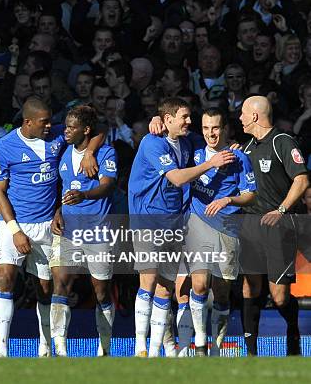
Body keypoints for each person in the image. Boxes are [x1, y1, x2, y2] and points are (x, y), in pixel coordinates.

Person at [0, 97, 103, 357]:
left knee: (45, 288)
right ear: (27, 122)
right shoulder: (3, 147)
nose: (51, 126)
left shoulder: (57, 138)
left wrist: (89, 152)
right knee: (5, 278)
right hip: (13, 224)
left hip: (48, 226)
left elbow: (98, 132)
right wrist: (15, 230)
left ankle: (45, 347)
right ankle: (1, 351)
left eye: (51, 120)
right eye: (44, 122)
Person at [129, 97, 235, 357]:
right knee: (149, 280)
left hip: (175, 219)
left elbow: (213, 142)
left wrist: (227, 148)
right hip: (147, 219)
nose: (190, 122)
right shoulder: (152, 142)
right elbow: (176, 178)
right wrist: (211, 164)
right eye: (185, 117)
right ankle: (140, 347)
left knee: (166, 285)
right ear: (167, 120)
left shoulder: (187, 142)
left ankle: (157, 351)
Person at [175, 108, 256, 357]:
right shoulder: (194, 153)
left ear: (225, 129)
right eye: (207, 128)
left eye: (216, 128)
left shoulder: (239, 158)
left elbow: (250, 195)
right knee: (198, 285)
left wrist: (228, 200)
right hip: (197, 223)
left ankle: (216, 349)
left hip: (228, 229)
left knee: (221, 292)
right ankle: (200, 343)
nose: (211, 133)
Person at [239, 96, 310, 356]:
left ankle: (293, 333)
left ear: (255, 116)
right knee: (250, 286)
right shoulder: (246, 148)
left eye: (243, 114)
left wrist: (281, 210)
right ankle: (250, 354)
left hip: (279, 226)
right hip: (250, 225)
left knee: (279, 296)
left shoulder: (283, 142)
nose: (240, 118)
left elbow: (301, 180)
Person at [49, 105, 118, 357]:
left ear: (86, 130)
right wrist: (58, 210)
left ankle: (105, 348)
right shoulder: (65, 153)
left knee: (101, 290)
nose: (65, 131)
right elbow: (66, 188)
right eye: (65, 126)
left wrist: (85, 195)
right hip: (68, 230)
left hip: (97, 232)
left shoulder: (106, 152)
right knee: (61, 285)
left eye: (71, 127)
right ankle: (60, 350)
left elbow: (108, 185)